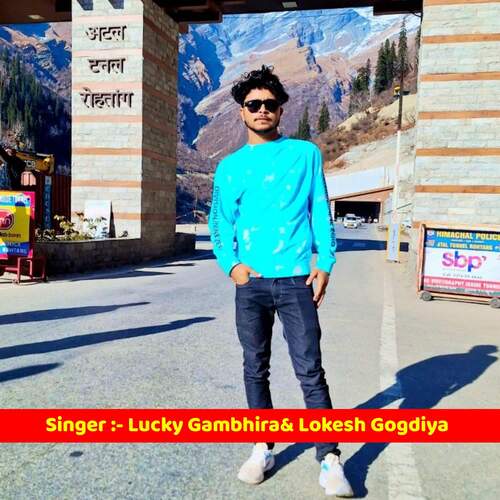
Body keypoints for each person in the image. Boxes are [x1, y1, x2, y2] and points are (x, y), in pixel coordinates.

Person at [208, 65, 353, 497]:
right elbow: (219, 222)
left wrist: (326, 262)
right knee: (255, 367)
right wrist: (231, 266)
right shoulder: (229, 167)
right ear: (241, 111)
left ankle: (329, 458)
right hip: (250, 285)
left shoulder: (305, 154)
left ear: (281, 109)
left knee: (310, 369)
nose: (262, 110)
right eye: (253, 104)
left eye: (269, 103)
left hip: (295, 282)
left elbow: (319, 209)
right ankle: (262, 447)